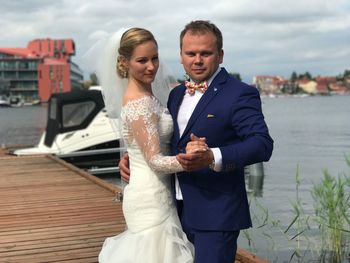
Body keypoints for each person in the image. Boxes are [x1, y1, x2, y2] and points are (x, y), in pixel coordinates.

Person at [119, 20, 274, 263]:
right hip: (171, 211)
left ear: (220, 55)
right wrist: (132, 157)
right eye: (190, 53)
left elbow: (262, 144)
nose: (197, 60)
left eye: (205, 53)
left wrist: (213, 156)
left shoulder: (240, 93)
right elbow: (164, 141)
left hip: (216, 215)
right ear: (181, 56)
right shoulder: (176, 94)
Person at [97, 27, 205, 262]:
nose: (151, 66)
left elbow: (143, 149)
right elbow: (155, 161)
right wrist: (190, 158)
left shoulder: (147, 97)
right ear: (124, 62)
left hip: (155, 191)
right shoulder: (140, 103)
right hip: (151, 196)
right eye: (142, 60)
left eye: (154, 58)